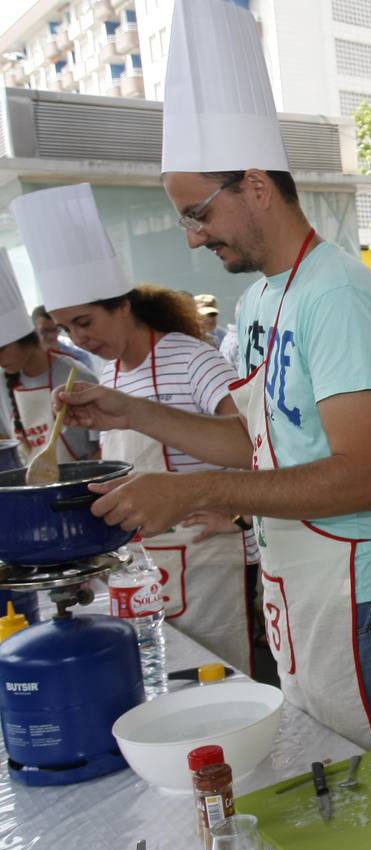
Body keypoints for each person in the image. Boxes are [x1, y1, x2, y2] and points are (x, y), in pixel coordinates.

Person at [55, 0, 371, 781]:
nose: (194, 236)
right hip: (304, 587)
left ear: (257, 185)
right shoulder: (266, 298)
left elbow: (362, 476)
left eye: (199, 214)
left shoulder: (335, 293)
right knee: (344, 782)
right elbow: (254, 440)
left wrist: (212, 494)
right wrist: (130, 409)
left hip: (362, 594)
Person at [12, 196, 259, 675]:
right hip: (145, 563)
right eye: (66, 328)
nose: (78, 340)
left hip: (206, 562)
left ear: (123, 306)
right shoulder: (110, 374)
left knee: (215, 682)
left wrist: (241, 514)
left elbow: (253, 442)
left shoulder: (191, 358)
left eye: (86, 322)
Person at [0, 249, 99, 461]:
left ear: (26, 338)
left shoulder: (77, 376)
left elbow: (103, 447)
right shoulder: (1, 384)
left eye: (2, 350)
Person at [31, 305, 96, 369]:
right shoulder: (27, 359)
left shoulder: (79, 357)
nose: (51, 336)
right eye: (44, 331)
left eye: (55, 330)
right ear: (33, 330)